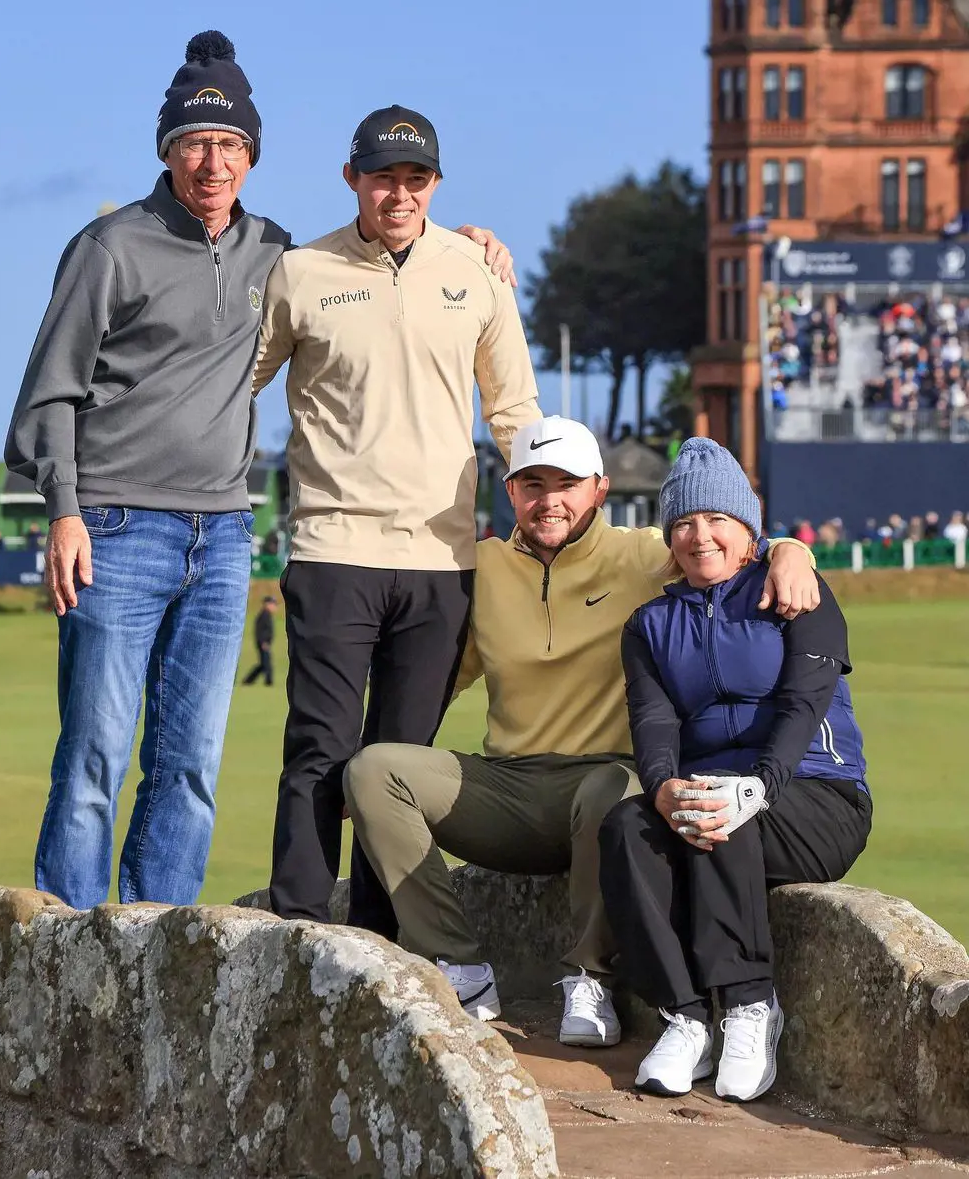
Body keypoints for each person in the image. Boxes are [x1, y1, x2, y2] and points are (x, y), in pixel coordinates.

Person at [4, 34, 512, 911]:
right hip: (116, 529)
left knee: (191, 767)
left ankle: (158, 944)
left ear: (252, 157)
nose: (214, 163)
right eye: (197, 144)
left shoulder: (271, 253)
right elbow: (47, 394)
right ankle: (71, 955)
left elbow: (385, 260)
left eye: (232, 146)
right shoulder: (109, 247)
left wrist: (464, 245)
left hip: (224, 534)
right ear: (167, 150)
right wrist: (64, 510)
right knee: (93, 756)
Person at [344, 418, 820, 1039]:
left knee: (616, 794)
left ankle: (588, 978)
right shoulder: (482, 566)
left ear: (600, 488)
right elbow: (436, 677)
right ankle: (461, 966)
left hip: (607, 780)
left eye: (567, 483)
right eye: (532, 484)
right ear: (510, 492)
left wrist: (791, 548)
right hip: (509, 786)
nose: (550, 500)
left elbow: (721, 538)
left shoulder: (644, 554)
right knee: (373, 771)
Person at [252, 105, 544, 939]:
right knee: (320, 749)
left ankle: (381, 949)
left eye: (415, 179)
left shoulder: (477, 270)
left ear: (436, 185)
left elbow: (513, 409)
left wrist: (547, 505)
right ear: (353, 179)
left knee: (396, 766)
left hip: (442, 560)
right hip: (334, 547)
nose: (399, 193)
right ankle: (301, 933)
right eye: (383, 177)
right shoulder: (301, 272)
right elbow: (236, 384)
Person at [599, 437, 870, 1103]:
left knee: (724, 809)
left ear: (748, 529)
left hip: (816, 797)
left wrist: (760, 785)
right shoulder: (650, 625)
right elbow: (654, 724)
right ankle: (686, 1014)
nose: (700, 536)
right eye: (685, 523)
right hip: (718, 800)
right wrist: (662, 787)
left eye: (716, 519)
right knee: (627, 828)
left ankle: (751, 1005)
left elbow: (806, 704)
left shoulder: (794, 586)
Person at [242, 595, 277, 686]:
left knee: (263, 664)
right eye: (272, 604)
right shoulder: (264, 615)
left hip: (266, 643)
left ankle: (248, 680)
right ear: (266, 604)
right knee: (266, 663)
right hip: (263, 643)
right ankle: (268, 682)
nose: (274, 606)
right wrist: (263, 642)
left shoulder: (267, 615)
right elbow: (259, 630)